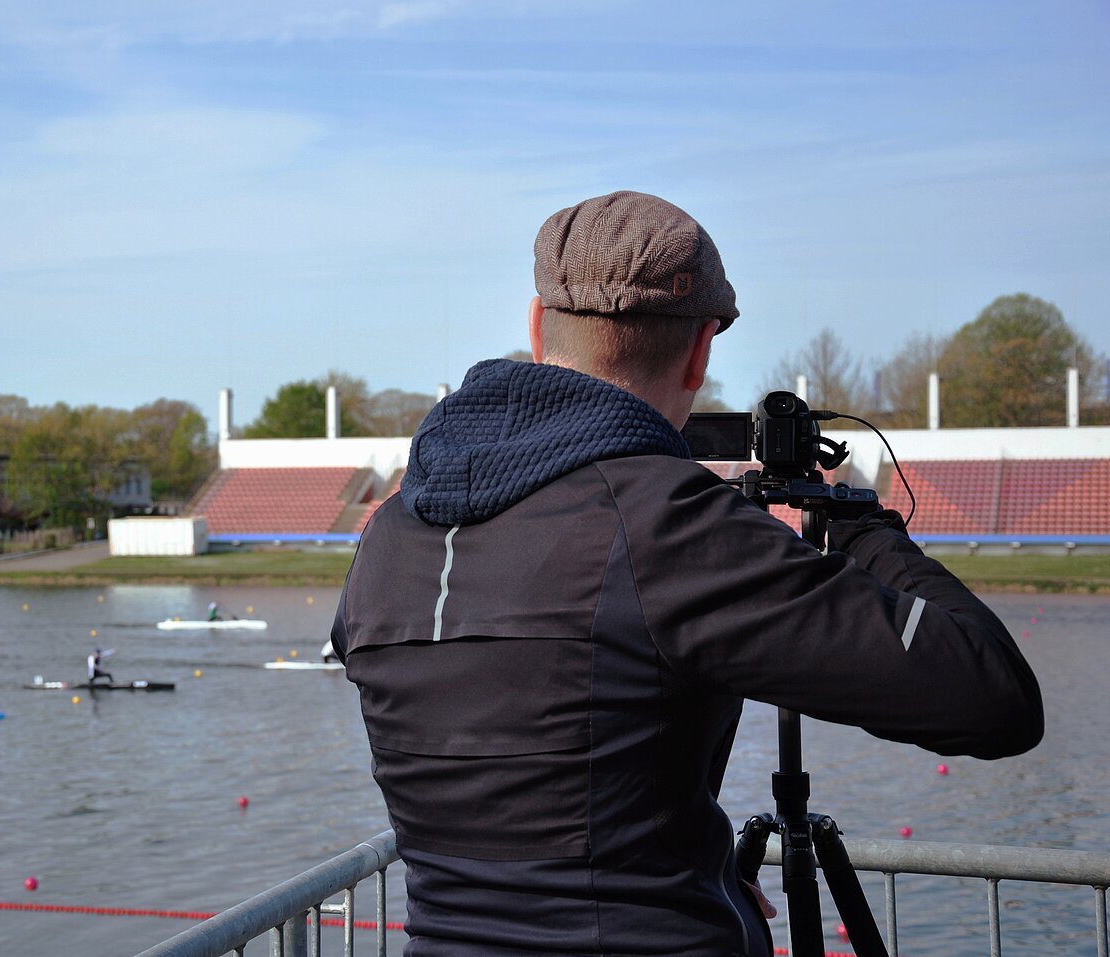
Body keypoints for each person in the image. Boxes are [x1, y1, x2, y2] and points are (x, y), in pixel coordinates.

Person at [330, 190, 1044, 956]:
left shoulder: (390, 535)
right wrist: (864, 530)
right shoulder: (669, 522)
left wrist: (674, 860)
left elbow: (525, 721)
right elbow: (994, 697)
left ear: (537, 325)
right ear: (702, 349)